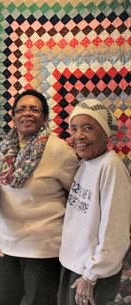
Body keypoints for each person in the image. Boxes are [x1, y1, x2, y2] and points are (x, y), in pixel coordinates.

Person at [0, 89, 79, 305]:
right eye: (21, 109)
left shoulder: (59, 150)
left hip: (43, 250)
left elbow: (76, 196)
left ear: (45, 118)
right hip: (6, 246)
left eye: (34, 109)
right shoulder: (3, 148)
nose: (27, 113)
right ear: (14, 117)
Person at [58, 99, 131, 305]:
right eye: (74, 129)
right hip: (74, 267)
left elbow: (115, 232)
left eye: (88, 128)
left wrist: (91, 275)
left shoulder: (110, 167)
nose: (78, 136)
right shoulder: (86, 163)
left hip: (91, 275)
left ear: (104, 133)